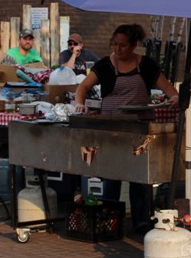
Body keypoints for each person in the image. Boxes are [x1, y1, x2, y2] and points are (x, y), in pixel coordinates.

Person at [73, 24, 179, 234]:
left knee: (140, 178)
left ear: (133, 46)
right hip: (113, 130)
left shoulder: (146, 65)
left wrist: (174, 98)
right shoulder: (105, 65)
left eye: (123, 45)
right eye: (115, 44)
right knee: (111, 176)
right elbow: (82, 88)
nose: (118, 49)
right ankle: (110, 221)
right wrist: (79, 103)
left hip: (140, 129)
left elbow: (169, 90)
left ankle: (141, 222)